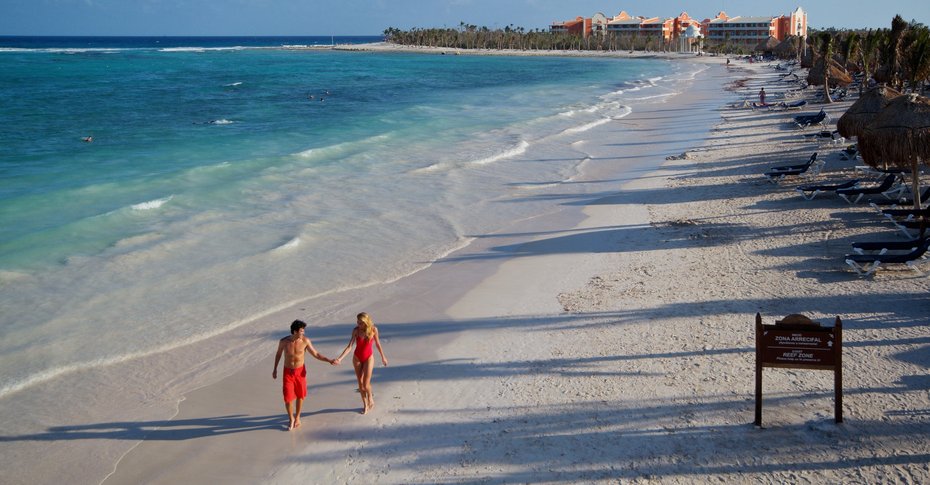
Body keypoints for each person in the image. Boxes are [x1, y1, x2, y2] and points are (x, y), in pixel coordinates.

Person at [272, 319, 335, 430]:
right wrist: (275, 369)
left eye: (303, 331)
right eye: (302, 331)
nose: (303, 333)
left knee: (300, 395)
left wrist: (329, 360)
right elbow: (278, 354)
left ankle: (298, 417)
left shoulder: (305, 341)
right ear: (295, 331)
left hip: (300, 372)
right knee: (287, 397)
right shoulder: (284, 342)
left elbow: (316, 354)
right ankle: (291, 418)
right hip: (288, 372)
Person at [334, 312, 387, 414]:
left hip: (368, 358)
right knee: (360, 384)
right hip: (357, 358)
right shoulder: (356, 331)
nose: (358, 324)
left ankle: (370, 396)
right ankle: (365, 405)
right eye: (357, 322)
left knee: (366, 385)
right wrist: (340, 358)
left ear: (366, 322)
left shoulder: (373, 330)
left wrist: (383, 357)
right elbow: (350, 346)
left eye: (360, 322)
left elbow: (378, 344)